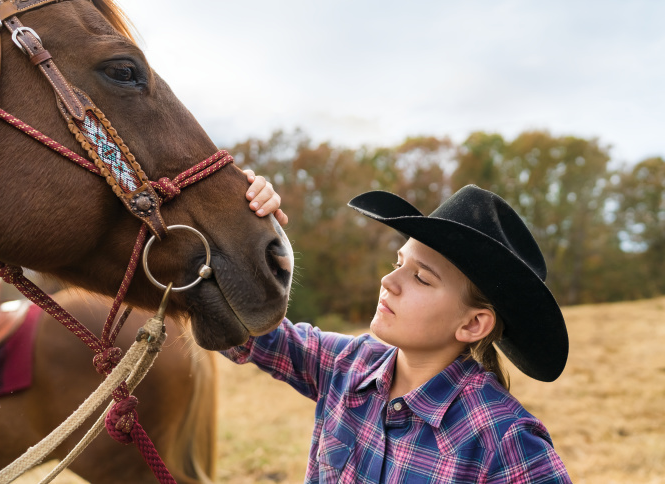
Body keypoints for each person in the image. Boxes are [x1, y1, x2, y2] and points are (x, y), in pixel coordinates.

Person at [227, 172, 572, 483]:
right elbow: (243, 326)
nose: (388, 281)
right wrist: (236, 212)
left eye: (421, 277)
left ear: (473, 323)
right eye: (398, 263)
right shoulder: (345, 364)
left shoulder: (506, 442)